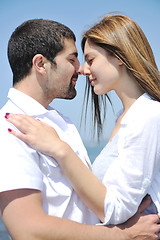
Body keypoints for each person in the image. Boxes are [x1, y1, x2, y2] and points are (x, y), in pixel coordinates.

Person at [0, 18, 160, 240]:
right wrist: (120, 235)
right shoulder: (10, 127)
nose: (81, 69)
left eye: (88, 59)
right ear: (40, 64)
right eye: (73, 59)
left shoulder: (61, 123)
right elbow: (27, 230)